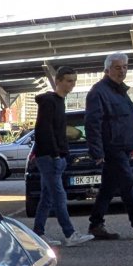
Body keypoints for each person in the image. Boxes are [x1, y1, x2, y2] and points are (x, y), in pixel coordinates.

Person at [86, 53, 133, 240]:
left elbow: (129, 118)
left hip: (124, 147)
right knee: (128, 182)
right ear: (107, 70)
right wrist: (97, 151)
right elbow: (92, 124)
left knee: (108, 187)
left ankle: (96, 224)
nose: (122, 71)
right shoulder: (98, 92)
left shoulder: (120, 91)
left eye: (125, 67)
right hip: (112, 147)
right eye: (118, 67)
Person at [31, 67, 92, 246]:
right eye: (68, 80)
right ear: (58, 81)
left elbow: (55, 130)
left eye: (73, 81)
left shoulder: (58, 101)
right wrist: (56, 154)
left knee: (48, 197)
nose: (71, 84)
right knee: (58, 195)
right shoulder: (50, 101)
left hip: (53, 156)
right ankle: (70, 233)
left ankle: (38, 233)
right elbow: (44, 129)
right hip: (50, 157)